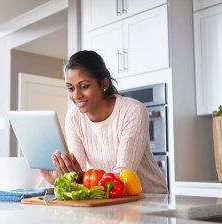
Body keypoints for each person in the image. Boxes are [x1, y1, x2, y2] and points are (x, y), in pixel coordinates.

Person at [39, 50, 167, 193]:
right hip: (106, 197)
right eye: (70, 88)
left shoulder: (133, 111)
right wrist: (59, 177)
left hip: (149, 198)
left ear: (103, 83)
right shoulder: (74, 117)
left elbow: (123, 175)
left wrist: (81, 177)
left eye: (84, 86)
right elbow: (78, 170)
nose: (76, 95)